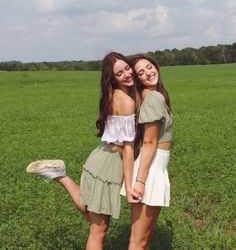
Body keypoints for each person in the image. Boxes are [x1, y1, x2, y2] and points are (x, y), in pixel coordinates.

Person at [26, 52, 140, 250]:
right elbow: (128, 148)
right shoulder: (127, 101)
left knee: (94, 217)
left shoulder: (113, 96)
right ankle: (60, 177)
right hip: (111, 164)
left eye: (127, 68)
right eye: (119, 73)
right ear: (112, 78)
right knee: (99, 229)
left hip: (101, 156)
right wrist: (129, 186)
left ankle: (60, 176)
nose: (127, 74)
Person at [121, 54, 173, 249]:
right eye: (141, 73)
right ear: (138, 80)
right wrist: (141, 181)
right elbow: (150, 142)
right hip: (150, 169)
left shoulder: (153, 95)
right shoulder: (153, 97)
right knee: (138, 241)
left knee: (144, 239)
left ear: (156, 66)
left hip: (154, 166)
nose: (148, 73)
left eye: (149, 67)